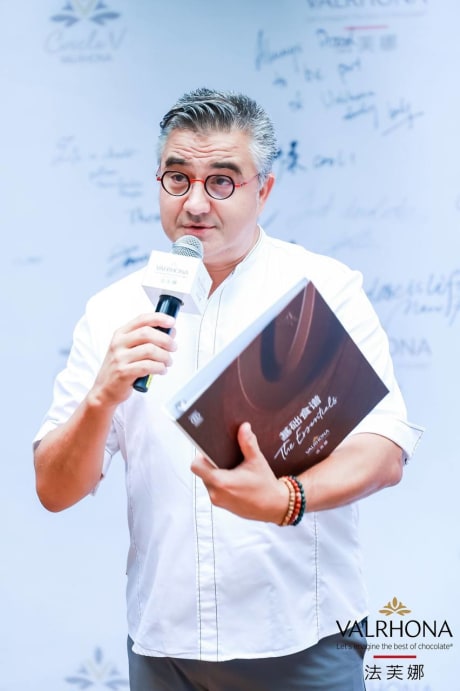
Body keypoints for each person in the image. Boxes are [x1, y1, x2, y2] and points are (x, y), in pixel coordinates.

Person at [33, 87, 423, 691]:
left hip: (303, 641)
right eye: (177, 178)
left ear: (262, 190)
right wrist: (100, 399)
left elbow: (384, 451)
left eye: (221, 181)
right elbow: (54, 490)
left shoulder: (322, 289)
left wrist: (286, 498)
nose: (195, 203)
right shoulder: (114, 310)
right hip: (163, 648)